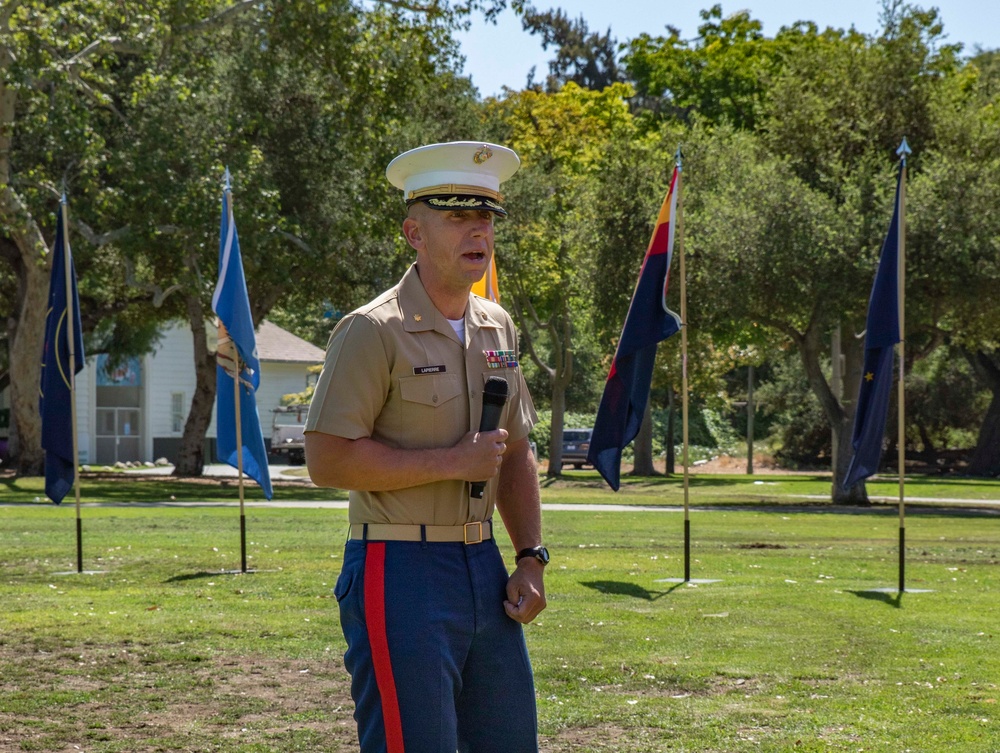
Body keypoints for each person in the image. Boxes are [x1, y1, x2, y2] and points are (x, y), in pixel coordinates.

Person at [304, 140, 548, 753]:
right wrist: (451, 463)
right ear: (414, 232)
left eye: (487, 217)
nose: (478, 231)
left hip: (484, 567)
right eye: (457, 216)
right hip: (398, 569)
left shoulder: (499, 325)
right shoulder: (371, 330)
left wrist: (530, 557)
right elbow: (326, 459)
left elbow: (514, 449)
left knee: (509, 742)